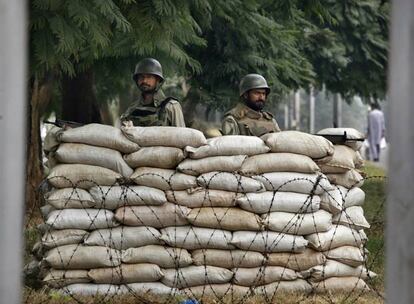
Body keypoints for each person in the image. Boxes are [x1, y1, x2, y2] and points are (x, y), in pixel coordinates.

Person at [121, 58, 185, 127]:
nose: (144, 81)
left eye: (149, 77)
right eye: (141, 77)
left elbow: (182, 136)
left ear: (158, 80)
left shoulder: (171, 106)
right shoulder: (132, 109)